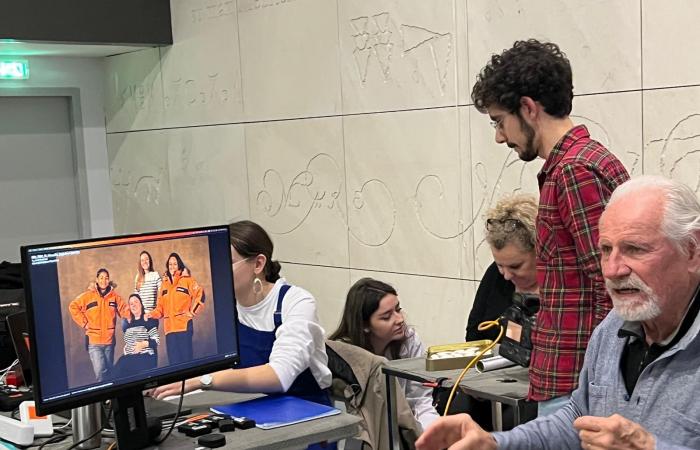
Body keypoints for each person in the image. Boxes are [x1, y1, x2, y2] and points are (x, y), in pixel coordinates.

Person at [416, 175, 700, 450]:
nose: (612, 270)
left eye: (635, 249)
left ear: (692, 250)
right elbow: (577, 419)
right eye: (605, 249)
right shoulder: (612, 329)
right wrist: (496, 443)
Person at [471, 39, 630, 414]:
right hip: (573, 382)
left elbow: (615, 289)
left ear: (527, 108)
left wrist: (603, 387)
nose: (499, 136)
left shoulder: (575, 171)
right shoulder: (578, 165)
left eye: (499, 121)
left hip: (577, 386)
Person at [151, 221, 333, 448]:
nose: (218, 271)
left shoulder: (295, 302)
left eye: (227, 262)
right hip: (249, 414)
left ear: (258, 263)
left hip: (306, 421)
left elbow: (279, 375)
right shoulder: (228, 307)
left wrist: (201, 382)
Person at [329, 277, 440, 432]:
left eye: (398, 309)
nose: (400, 319)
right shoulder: (343, 357)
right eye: (387, 316)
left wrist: (434, 434)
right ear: (364, 325)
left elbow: (419, 399)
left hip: (404, 430)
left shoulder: (409, 340)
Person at [466, 193, 538, 342]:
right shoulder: (495, 275)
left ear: (539, 251)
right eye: (500, 265)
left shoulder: (560, 286)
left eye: (516, 266)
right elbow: (473, 334)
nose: (506, 275)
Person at [68, 268, 130, 382]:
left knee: (110, 372)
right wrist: (84, 322)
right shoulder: (88, 296)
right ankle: (105, 398)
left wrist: (136, 314)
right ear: (97, 279)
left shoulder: (114, 297)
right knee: (101, 372)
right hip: (94, 343)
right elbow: (73, 306)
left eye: (106, 278)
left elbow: (124, 310)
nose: (104, 280)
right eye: (101, 278)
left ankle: (110, 398)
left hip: (109, 342)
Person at [146, 253, 204, 365]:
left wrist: (192, 311)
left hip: (184, 328)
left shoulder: (187, 280)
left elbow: (201, 294)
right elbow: (160, 309)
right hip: (169, 331)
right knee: (174, 364)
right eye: (170, 264)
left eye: (175, 264)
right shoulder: (164, 285)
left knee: (187, 362)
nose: (172, 266)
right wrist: (151, 314)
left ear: (179, 265)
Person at [114, 293, 159, 376]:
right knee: (122, 371)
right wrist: (127, 348)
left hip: (146, 357)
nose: (133, 305)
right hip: (130, 358)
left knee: (122, 363)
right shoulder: (128, 324)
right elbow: (129, 342)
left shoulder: (148, 320)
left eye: (136, 302)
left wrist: (143, 344)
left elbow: (156, 341)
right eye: (131, 304)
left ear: (141, 304)